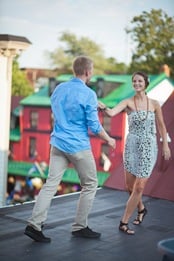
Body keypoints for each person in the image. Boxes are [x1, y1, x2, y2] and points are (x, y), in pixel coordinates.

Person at [24, 56, 116, 242]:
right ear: (88, 72)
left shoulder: (59, 89)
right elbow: (95, 126)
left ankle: (34, 224)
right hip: (78, 146)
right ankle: (80, 226)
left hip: (57, 143)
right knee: (90, 184)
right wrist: (110, 139)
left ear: (75, 70)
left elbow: (60, 108)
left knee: (50, 184)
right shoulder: (89, 94)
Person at [98, 71, 171, 235]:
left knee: (139, 187)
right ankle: (142, 209)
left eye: (140, 81)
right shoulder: (127, 102)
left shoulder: (154, 104)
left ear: (146, 83)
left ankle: (123, 222)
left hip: (149, 147)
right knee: (130, 187)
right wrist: (102, 107)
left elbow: (161, 126)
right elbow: (111, 113)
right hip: (131, 146)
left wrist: (165, 146)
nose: (137, 83)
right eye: (134, 81)